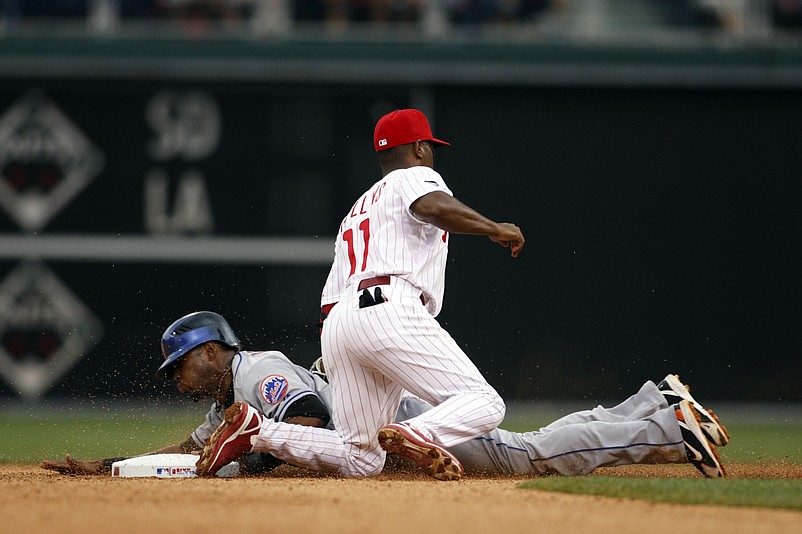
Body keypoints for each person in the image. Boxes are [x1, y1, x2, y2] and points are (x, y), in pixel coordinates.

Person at [195, 108, 525, 481]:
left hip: (341, 322)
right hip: (389, 308)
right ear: (419, 148)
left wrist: (342, 351)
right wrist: (493, 228)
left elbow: (331, 297)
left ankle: (259, 431)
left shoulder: (357, 211)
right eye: (429, 147)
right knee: (485, 403)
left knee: (361, 458)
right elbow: (432, 206)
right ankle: (417, 433)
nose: (431, 153)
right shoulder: (415, 178)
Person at [42, 311, 728, 478]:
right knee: (526, 447)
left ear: (212, 351)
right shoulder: (227, 403)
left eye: (182, 367)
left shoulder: (255, 373)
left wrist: (257, 455)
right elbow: (191, 455)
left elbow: (306, 418)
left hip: (398, 421)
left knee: (527, 458)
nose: (178, 380)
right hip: (386, 423)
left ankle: (669, 431)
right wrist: (111, 469)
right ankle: (653, 404)